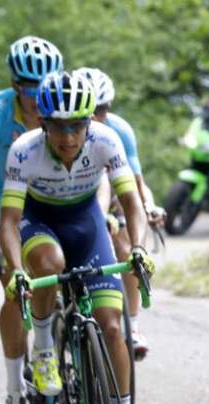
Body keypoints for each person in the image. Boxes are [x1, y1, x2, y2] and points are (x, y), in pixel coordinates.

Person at [0, 71, 153, 404]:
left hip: (86, 223)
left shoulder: (106, 140)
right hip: (39, 222)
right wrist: (16, 269)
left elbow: (131, 204)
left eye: (77, 125)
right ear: (42, 123)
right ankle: (46, 346)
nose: (68, 136)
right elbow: (11, 221)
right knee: (50, 265)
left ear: (91, 122)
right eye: (58, 126)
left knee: (113, 326)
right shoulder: (23, 151)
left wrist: (137, 247)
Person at [0, 36, 63, 404]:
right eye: (27, 89)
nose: (35, 97)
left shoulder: (63, 102)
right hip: (10, 207)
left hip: (57, 201)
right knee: (16, 287)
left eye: (40, 87)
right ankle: (14, 386)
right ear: (14, 86)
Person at [74, 66, 163, 360]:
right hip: (75, 197)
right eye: (91, 110)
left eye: (102, 109)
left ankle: (133, 325)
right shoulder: (67, 130)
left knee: (126, 246)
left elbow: (136, 184)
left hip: (113, 193)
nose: (97, 117)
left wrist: (147, 207)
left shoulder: (118, 130)